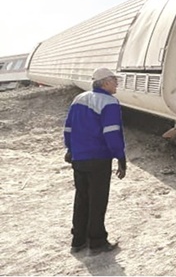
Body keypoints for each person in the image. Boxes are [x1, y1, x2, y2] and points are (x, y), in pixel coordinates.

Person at [63, 68, 126, 254]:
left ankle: (78, 241)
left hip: (79, 157)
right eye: (114, 80)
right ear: (105, 82)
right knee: (98, 200)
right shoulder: (109, 102)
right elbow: (112, 132)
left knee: (82, 198)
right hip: (98, 158)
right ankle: (97, 242)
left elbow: (68, 127)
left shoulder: (79, 99)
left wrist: (70, 149)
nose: (116, 84)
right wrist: (120, 157)